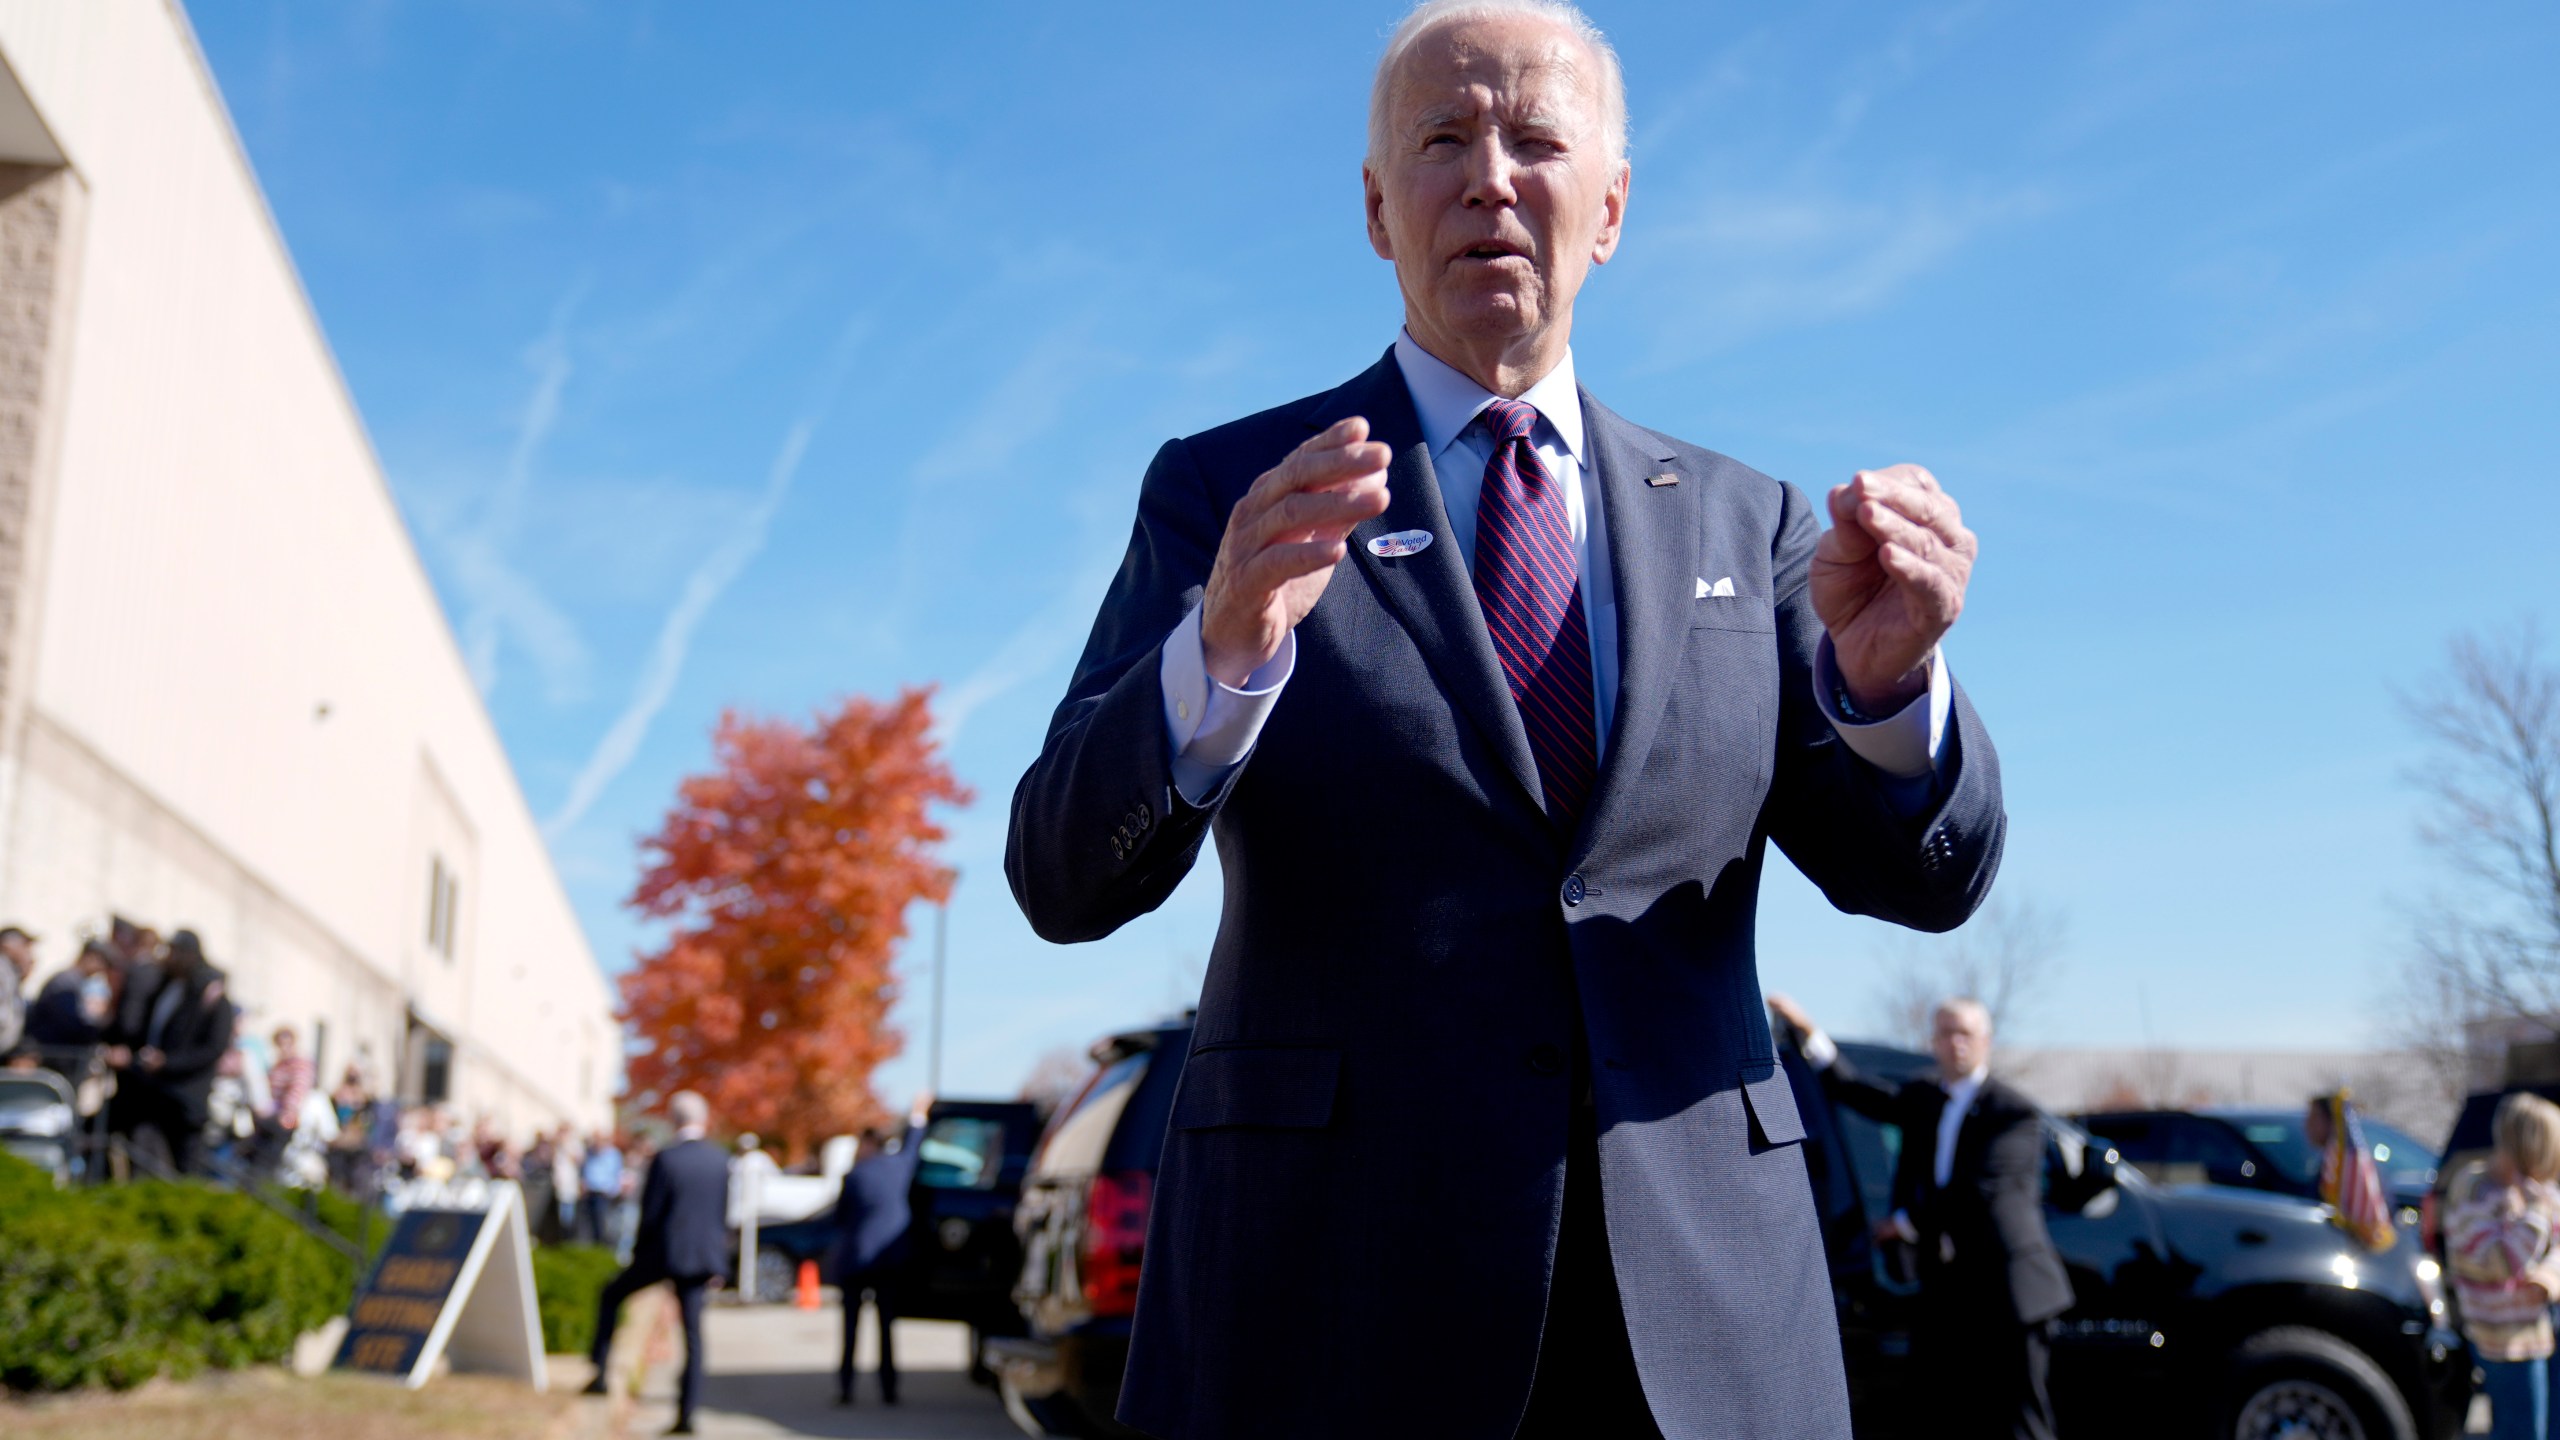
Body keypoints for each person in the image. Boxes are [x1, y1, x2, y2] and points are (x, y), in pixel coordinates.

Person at [1005, 3, 2001, 1435]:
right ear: (1374, 207)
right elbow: (1061, 877)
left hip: (1705, 1330)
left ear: (1610, 209)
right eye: (1441, 140)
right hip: (1327, 1315)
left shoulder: (1761, 525)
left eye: (1536, 139)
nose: (1489, 177)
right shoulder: (1233, 496)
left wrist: (1891, 695)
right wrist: (1215, 654)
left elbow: (1929, 879)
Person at [1769, 994, 2069, 1439]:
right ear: (1933, 1041)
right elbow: (1858, 1091)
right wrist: (1810, 1036)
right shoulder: (1926, 1097)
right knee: (1936, 1408)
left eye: (1964, 1032)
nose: (1955, 1043)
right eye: (1945, 1033)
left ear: (1986, 1041)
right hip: (1947, 1287)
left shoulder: (2014, 1112)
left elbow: (1980, 1191)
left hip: (2009, 1289)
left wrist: (1903, 1224)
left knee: (2019, 1419)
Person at [583, 1092, 729, 1436]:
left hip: (664, 1255)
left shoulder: (667, 1159)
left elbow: (651, 1215)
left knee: (611, 1294)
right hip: (701, 1260)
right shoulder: (719, 1159)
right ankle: (688, 1413)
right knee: (694, 1335)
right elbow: (722, 1216)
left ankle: (600, 1373)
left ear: (674, 1120)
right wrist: (719, 1264)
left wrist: (638, 1256)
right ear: (703, 1119)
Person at [2447, 1092, 2560, 1440]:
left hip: (2540, 1328)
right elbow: (2502, 1261)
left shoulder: (2540, 1190)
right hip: (2501, 1336)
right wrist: (2536, 1213)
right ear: (2533, 1146)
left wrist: (2549, 1276)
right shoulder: (2476, 1188)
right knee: (2522, 1431)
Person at [826, 1091, 933, 1407]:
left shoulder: (855, 1174)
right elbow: (914, 1141)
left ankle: (846, 1388)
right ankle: (889, 1389)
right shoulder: (898, 1166)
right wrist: (918, 1112)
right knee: (886, 1329)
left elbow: (840, 1219)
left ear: (866, 1145)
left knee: (850, 1330)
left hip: (855, 1261)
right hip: (888, 1260)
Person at [104, 929, 235, 1176]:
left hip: (185, 1098)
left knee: (185, 1167)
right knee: (142, 1159)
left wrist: (168, 1062)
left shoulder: (210, 996)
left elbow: (212, 1049)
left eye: (175, 952)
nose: (169, 957)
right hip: (154, 1091)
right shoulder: (167, 987)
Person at [581, 1130, 625, 1245]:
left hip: (605, 1194)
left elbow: (616, 1174)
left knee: (603, 1223)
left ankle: (603, 1245)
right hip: (591, 1192)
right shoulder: (590, 1153)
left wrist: (612, 1190)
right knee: (590, 1223)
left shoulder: (613, 1154)